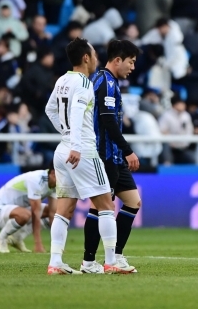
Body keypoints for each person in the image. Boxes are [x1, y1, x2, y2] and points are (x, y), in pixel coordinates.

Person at [44, 37, 135, 275]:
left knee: (64, 210)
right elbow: (75, 111)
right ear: (86, 57)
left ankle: (55, 262)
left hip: (62, 150)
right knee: (106, 205)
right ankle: (111, 261)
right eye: (94, 54)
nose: (96, 58)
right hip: (81, 149)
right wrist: (75, 142)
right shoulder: (84, 83)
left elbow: (50, 109)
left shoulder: (62, 80)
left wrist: (64, 133)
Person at [81, 39, 141, 274]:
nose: (132, 67)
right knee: (101, 208)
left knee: (133, 201)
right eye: (131, 62)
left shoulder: (108, 81)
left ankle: (116, 255)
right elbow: (107, 121)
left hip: (114, 156)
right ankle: (89, 261)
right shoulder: (105, 82)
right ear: (118, 60)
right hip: (105, 155)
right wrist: (128, 151)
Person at [0, 168, 57, 254]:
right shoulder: (36, 179)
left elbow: (52, 213)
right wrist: (38, 244)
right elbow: (36, 213)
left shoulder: (55, 184)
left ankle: (17, 238)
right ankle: (2, 238)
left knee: (53, 213)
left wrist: (57, 245)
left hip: (16, 211)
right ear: (53, 173)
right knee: (25, 214)